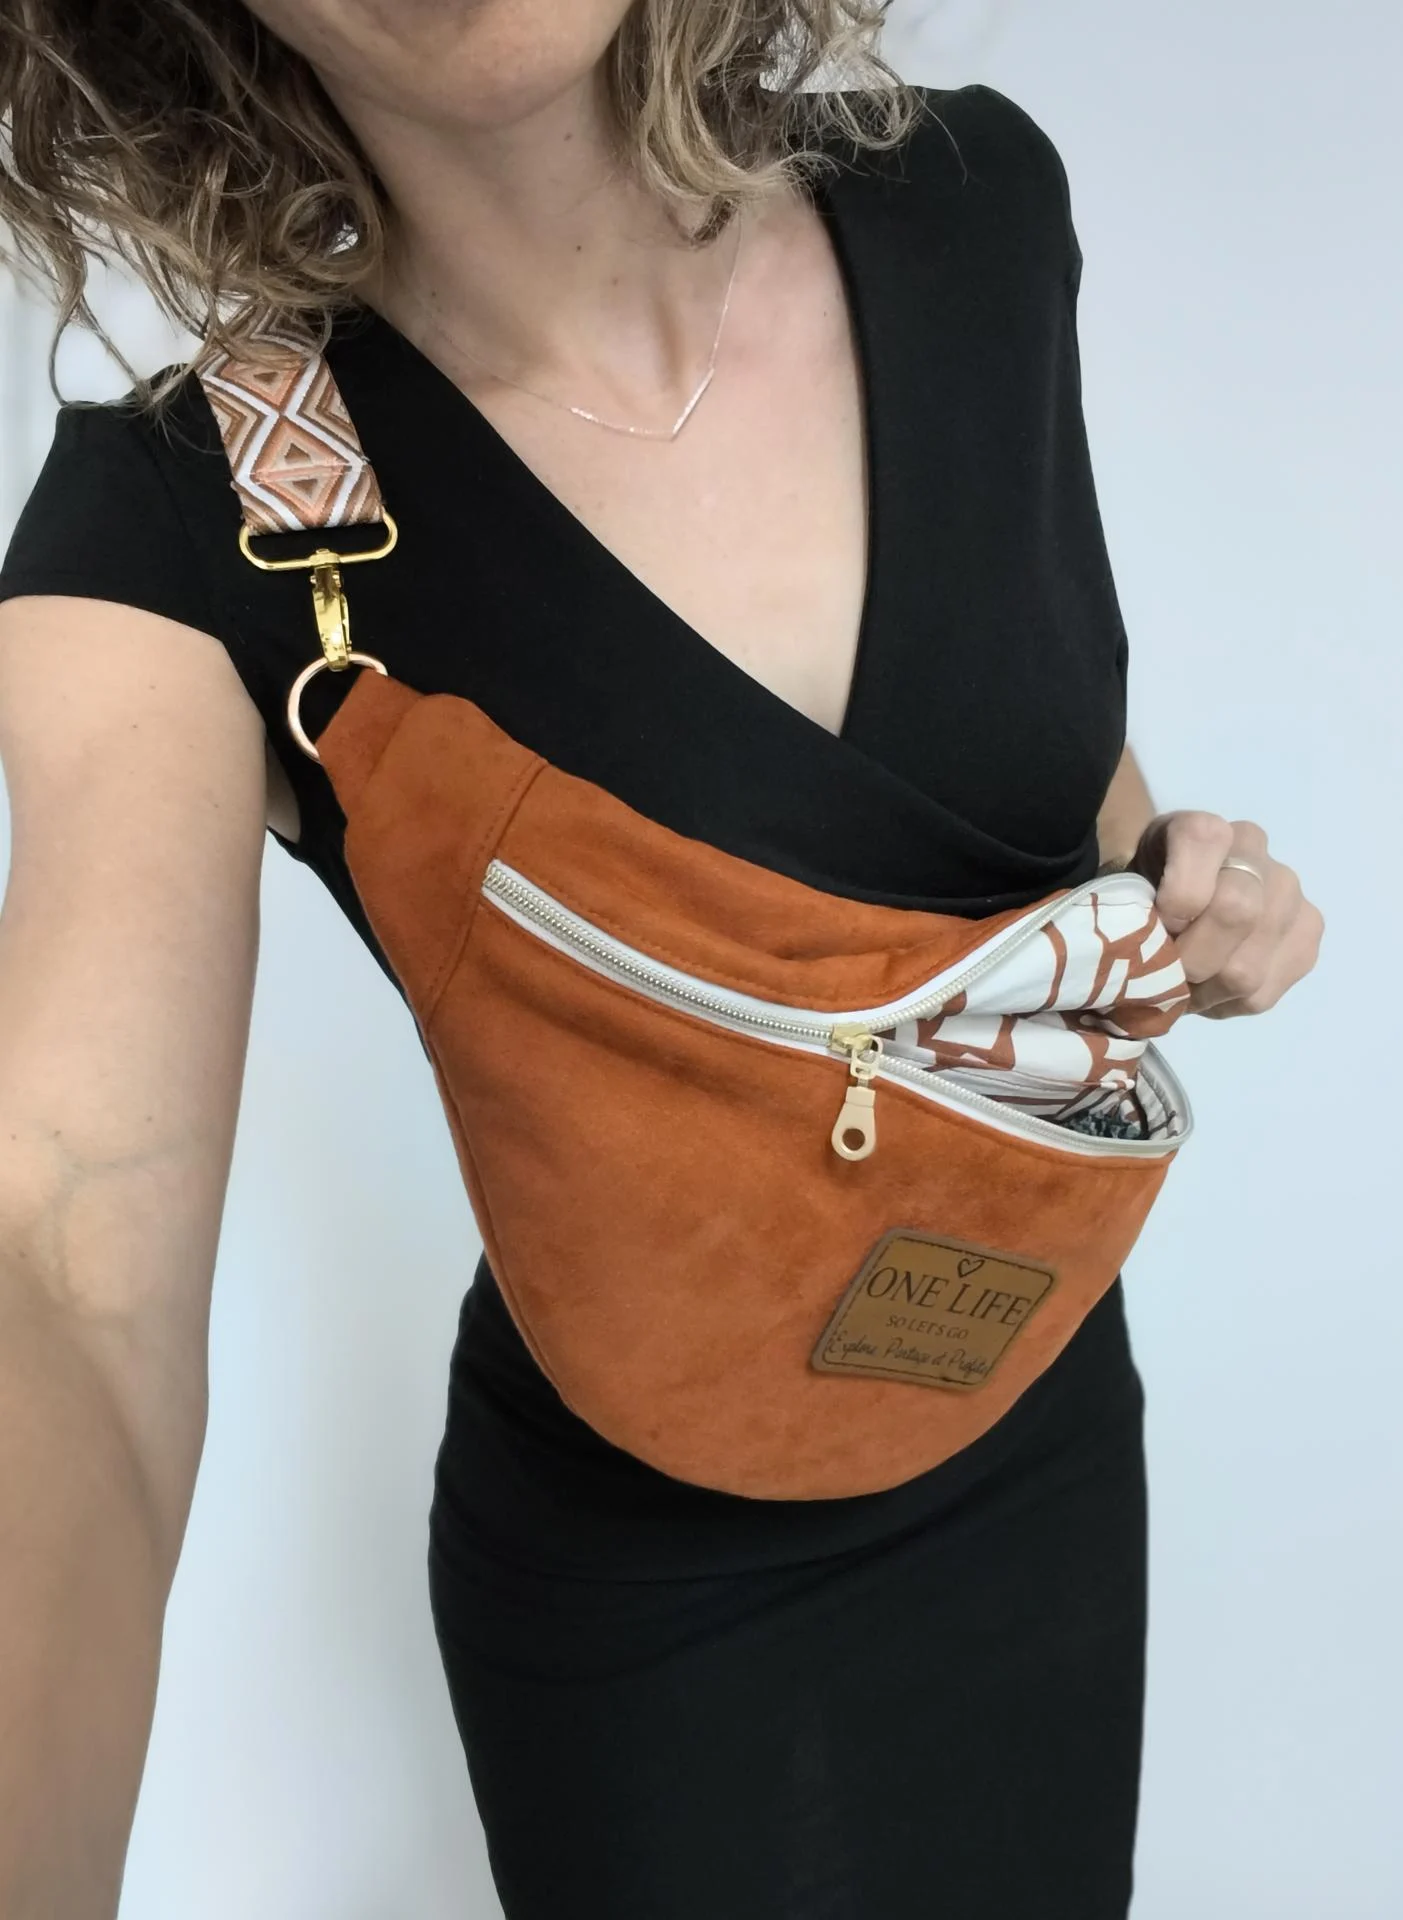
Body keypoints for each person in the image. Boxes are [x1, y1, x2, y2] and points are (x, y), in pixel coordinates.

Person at [0, 4, 1324, 1916]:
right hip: (649, 1586)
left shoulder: (970, 203)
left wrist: (1176, 880)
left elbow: (1034, 765)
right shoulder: (176, 521)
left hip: (1025, 1391)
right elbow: (66, 1266)